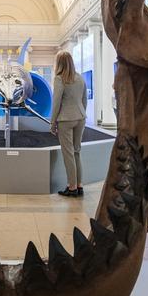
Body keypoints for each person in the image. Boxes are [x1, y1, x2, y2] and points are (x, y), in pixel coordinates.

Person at [50, 50, 87, 197]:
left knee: (68, 154)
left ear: (59, 63)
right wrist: (81, 113)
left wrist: (52, 122)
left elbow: (56, 103)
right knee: (77, 152)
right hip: (81, 118)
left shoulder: (59, 79)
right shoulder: (80, 78)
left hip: (66, 119)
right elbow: (84, 100)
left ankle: (71, 188)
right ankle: (79, 185)